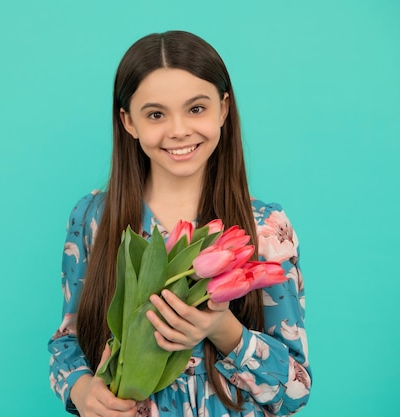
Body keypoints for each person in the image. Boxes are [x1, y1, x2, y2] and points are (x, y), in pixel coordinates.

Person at [48, 30, 311, 417]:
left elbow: (295, 390)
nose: (178, 130)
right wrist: (83, 389)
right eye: (156, 114)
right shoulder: (95, 219)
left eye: (196, 109)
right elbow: (67, 342)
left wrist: (222, 329)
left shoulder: (265, 228)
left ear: (223, 109)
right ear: (128, 122)